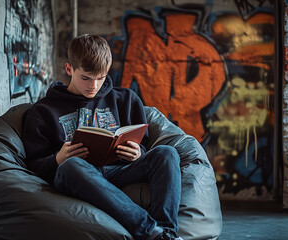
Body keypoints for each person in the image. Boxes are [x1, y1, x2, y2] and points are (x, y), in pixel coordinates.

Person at [22, 34, 182, 240]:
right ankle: (152, 232)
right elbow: (32, 166)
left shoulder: (126, 99)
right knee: (71, 166)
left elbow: (144, 143)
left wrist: (138, 153)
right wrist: (57, 159)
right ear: (69, 69)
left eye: (101, 78)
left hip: (120, 169)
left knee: (167, 153)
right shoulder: (43, 111)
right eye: (86, 78)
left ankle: (168, 233)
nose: (94, 86)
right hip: (78, 176)